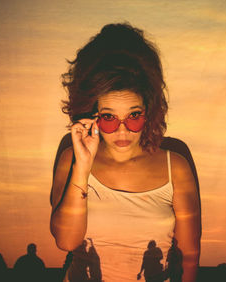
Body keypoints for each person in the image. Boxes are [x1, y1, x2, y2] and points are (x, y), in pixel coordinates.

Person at [50, 22, 201, 282]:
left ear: (149, 111)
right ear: (92, 115)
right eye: (109, 118)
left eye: (133, 116)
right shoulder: (71, 159)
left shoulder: (175, 166)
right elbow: (66, 241)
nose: (122, 131)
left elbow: (190, 255)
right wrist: (83, 167)